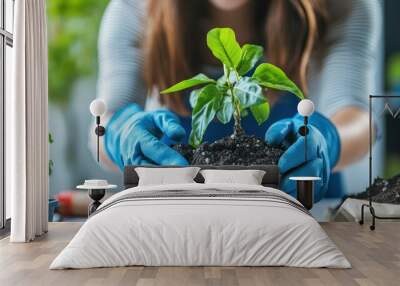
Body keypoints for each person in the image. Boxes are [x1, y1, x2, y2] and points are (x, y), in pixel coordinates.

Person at [92, 0, 382, 202]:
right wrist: (119, 134)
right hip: (184, 212)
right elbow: (102, 125)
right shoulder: (134, 9)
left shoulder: (339, 5)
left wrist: (327, 141)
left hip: (302, 208)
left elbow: (357, 117)